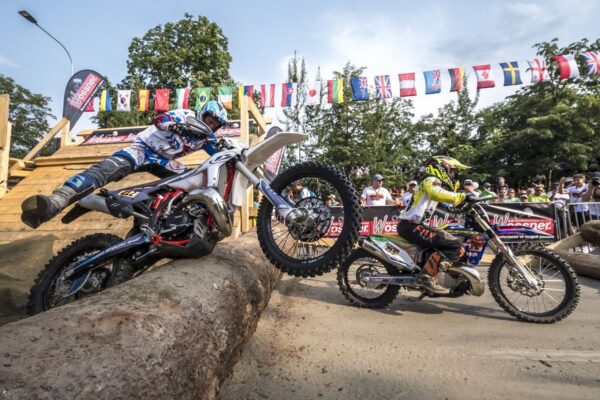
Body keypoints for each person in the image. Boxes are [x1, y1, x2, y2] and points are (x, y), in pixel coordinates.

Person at [21, 101, 229, 229]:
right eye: (210, 120)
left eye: (214, 125)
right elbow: (160, 119)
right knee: (106, 169)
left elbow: (219, 155)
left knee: (193, 181)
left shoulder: (206, 139)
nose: (210, 126)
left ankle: (156, 218)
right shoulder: (185, 115)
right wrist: (175, 126)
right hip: (142, 149)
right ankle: (56, 200)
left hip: (164, 160)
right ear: (203, 113)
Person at [397, 156, 472, 295]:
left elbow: (446, 204)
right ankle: (425, 277)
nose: (453, 175)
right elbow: (435, 193)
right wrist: (462, 196)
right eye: (452, 171)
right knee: (455, 247)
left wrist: (464, 205)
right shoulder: (431, 180)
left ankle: (451, 280)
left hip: (414, 225)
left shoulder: (433, 183)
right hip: (411, 225)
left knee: (448, 240)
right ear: (441, 168)